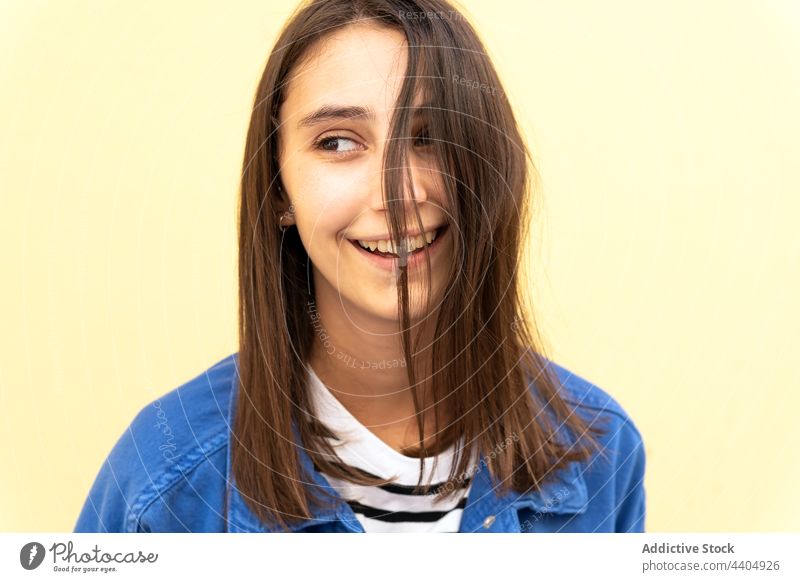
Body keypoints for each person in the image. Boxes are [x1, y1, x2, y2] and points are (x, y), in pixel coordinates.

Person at [75, 0, 646, 533]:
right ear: (279, 191)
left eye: (432, 137)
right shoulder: (162, 483)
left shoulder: (604, 455)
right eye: (339, 143)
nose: (396, 193)